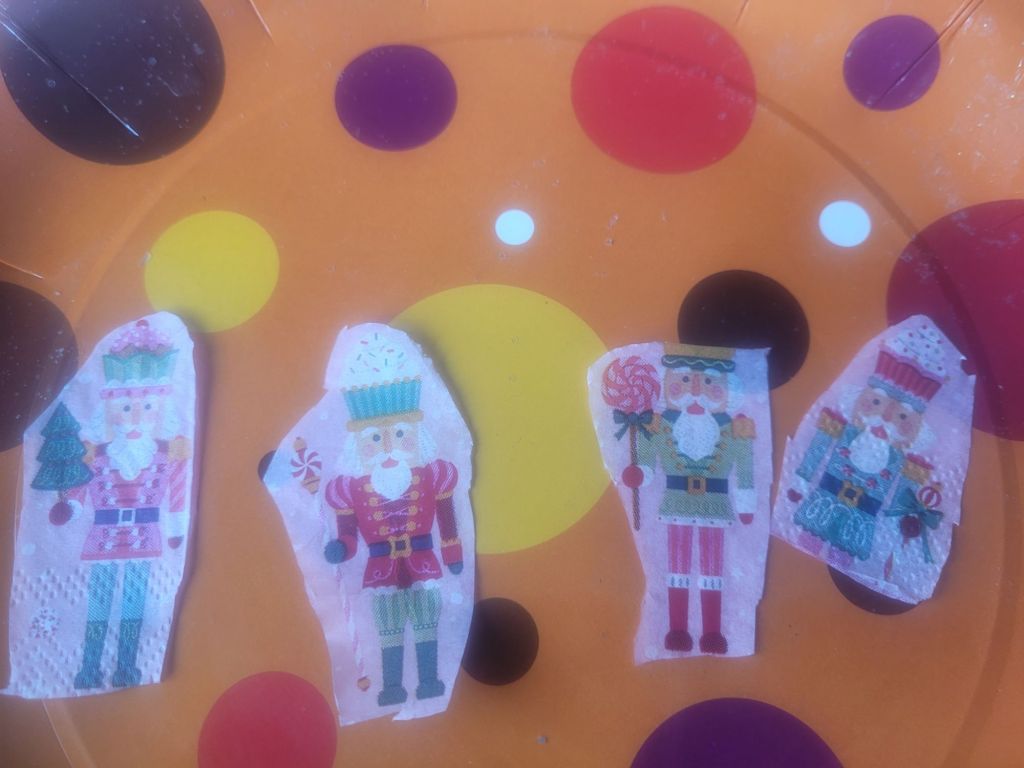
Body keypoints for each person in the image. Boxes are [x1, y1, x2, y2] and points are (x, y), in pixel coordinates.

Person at [322, 333, 463, 706]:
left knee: (426, 623)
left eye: (399, 434)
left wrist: (453, 554)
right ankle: (392, 687)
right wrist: (341, 547)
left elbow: (448, 519)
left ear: (415, 434)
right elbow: (349, 533)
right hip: (381, 567)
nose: (387, 447)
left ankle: (430, 679)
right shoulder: (352, 489)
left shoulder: (432, 476)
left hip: (423, 561)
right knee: (389, 628)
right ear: (358, 445)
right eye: (375, 439)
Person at [61, 319, 190, 689]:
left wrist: (176, 528)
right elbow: (79, 489)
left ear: (159, 411)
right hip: (103, 536)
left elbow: (177, 493)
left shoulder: (166, 456)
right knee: (99, 603)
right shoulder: (97, 457)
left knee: (135, 603)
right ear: (111, 411)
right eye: (126, 408)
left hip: (144, 536)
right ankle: (89, 667)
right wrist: (69, 507)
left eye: (146, 407)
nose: (135, 417)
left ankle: (127, 667)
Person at [626, 344, 755, 655]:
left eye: (709, 382)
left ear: (726, 388)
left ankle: (712, 632)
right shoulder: (659, 426)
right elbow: (648, 458)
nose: (696, 391)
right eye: (685, 381)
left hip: (716, 503)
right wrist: (639, 472)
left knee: (712, 568)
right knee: (677, 565)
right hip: (676, 501)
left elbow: (744, 464)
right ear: (670, 382)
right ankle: (677, 630)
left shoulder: (735, 430)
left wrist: (746, 500)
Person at [787, 327, 942, 565]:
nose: (886, 417)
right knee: (806, 544)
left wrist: (895, 523)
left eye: (902, 416)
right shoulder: (843, 427)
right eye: (877, 401)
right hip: (825, 498)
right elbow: (818, 448)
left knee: (843, 559)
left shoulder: (905, 460)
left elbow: (904, 491)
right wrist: (802, 480)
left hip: (863, 514)